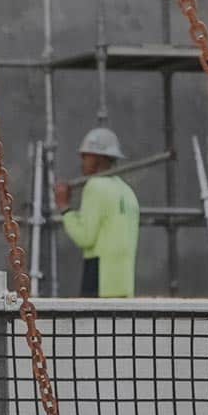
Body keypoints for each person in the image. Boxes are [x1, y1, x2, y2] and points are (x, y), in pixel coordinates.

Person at [55, 126, 141, 298]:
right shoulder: (127, 191)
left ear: (97, 158)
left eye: (85, 156)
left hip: (99, 277)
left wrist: (64, 207)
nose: (82, 162)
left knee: (90, 326)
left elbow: (85, 237)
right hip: (123, 282)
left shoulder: (95, 187)